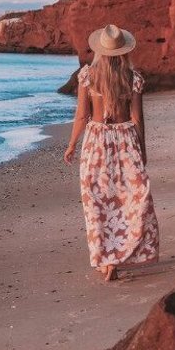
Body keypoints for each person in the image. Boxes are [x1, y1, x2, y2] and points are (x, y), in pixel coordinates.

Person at [62, 24, 159, 282]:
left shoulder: (87, 76)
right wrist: (143, 150)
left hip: (96, 140)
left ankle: (106, 261)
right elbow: (137, 119)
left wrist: (72, 144)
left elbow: (82, 115)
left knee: (97, 200)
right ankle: (122, 253)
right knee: (130, 198)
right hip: (126, 138)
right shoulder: (133, 77)